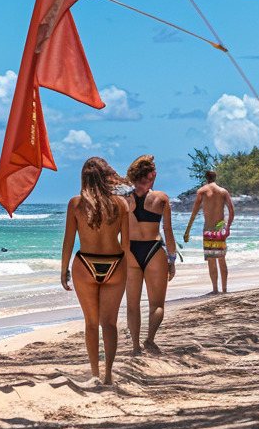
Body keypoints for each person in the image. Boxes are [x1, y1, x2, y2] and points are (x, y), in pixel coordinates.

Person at [60, 157, 129, 385]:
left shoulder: (75, 204)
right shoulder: (121, 204)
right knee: (109, 323)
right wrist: (131, 271)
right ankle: (109, 375)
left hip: (85, 264)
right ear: (105, 176)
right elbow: (126, 245)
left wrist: (63, 270)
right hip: (115, 264)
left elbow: (69, 241)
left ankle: (94, 374)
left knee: (91, 323)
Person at [125, 155, 177, 355]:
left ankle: (135, 346)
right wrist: (171, 259)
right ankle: (150, 340)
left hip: (130, 252)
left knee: (132, 304)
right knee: (156, 304)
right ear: (151, 175)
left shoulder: (124, 199)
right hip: (154, 250)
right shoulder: (161, 198)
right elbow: (168, 231)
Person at [182, 169, 235, 294]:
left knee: (211, 260)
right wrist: (227, 227)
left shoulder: (202, 191)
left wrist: (187, 230)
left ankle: (215, 289)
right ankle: (225, 289)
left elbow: (194, 211)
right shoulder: (223, 192)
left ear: (206, 178)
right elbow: (232, 211)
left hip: (208, 230)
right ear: (215, 177)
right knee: (222, 259)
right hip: (220, 229)